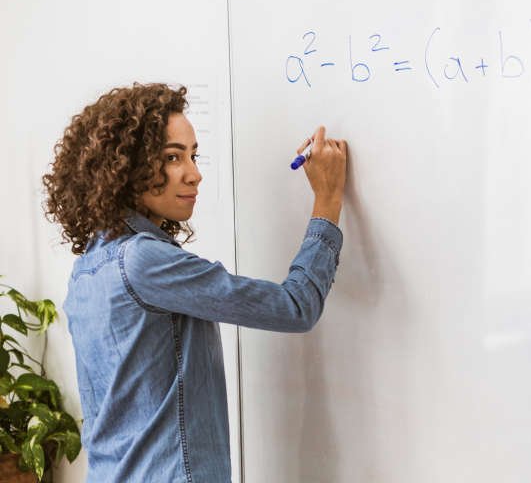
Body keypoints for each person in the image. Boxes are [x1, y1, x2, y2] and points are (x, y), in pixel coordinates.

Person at [42, 83, 347, 482]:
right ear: (125, 167)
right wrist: (328, 200)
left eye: (193, 154)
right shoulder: (143, 261)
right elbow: (295, 307)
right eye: (172, 157)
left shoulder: (85, 270)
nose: (195, 173)